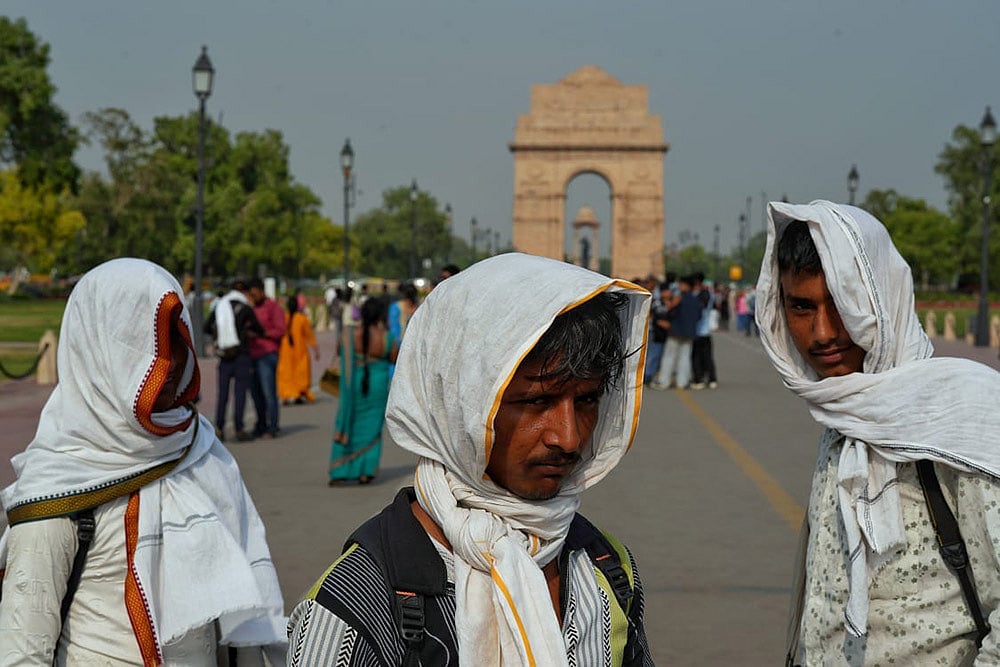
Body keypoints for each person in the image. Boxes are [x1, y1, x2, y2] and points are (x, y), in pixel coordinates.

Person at [288, 253, 653, 665]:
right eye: (536, 401)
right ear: (460, 404)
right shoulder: (353, 609)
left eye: (586, 400)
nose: (568, 438)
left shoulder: (607, 568)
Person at [0, 258, 286, 663]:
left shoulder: (201, 449)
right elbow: (22, 652)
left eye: (174, 340)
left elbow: (234, 618)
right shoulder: (57, 488)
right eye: (145, 347)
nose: (169, 364)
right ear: (97, 353)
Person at [756, 200, 1000, 665]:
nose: (822, 332)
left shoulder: (964, 415)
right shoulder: (848, 411)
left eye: (844, 305)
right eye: (802, 307)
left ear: (884, 297)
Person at [329, 297, 398, 485]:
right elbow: (395, 358)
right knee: (372, 428)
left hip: (353, 386)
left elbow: (339, 351)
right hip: (376, 387)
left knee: (348, 423)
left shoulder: (349, 334)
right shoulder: (386, 337)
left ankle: (340, 471)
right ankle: (365, 471)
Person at [204, 278, 265, 442]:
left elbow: (206, 327)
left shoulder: (220, 306)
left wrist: (220, 337)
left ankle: (219, 428)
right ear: (244, 292)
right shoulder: (245, 308)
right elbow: (259, 328)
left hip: (224, 356)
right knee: (240, 394)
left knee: (222, 395)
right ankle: (239, 429)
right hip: (241, 355)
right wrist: (246, 332)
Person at [247, 277, 286, 439]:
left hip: (267, 354)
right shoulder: (251, 308)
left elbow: (281, 330)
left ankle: (273, 426)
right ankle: (261, 424)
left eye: (255, 294)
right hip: (252, 354)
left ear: (262, 292)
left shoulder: (273, 307)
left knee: (268, 392)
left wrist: (263, 333)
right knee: (255, 394)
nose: (253, 298)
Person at [650, 273, 700, 390]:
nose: (679, 286)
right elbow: (699, 315)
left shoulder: (678, 298)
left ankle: (664, 381)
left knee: (669, 356)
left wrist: (669, 304)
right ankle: (682, 382)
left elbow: (670, 312)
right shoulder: (695, 299)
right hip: (689, 332)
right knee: (685, 357)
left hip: (676, 331)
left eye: (681, 284)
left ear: (686, 285)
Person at [277, 295, 320, 405]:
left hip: (285, 351)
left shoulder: (283, 318)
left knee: (286, 373)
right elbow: (309, 335)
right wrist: (316, 350)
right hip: (299, 350)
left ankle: (286, 394)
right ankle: (299, 393)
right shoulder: (302, 319)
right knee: (300, 372)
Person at [690, 271, 718, 390]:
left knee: (697, 356)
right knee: (707, 356)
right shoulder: (708, 293)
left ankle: (699, 379)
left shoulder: (700, 294)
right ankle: (711, 379)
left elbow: (699, 309)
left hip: (699, 330)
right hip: (705, 331)